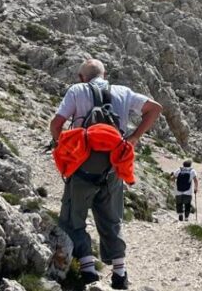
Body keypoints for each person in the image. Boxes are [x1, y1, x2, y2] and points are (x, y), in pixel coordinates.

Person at [49, 59, 163, 290]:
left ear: (82, 77)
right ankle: (120, 274)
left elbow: (57, 123)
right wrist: (134, 137)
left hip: (82, 168)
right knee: (111, 221)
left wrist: (61, 145)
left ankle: (89, 273)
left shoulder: (77, 90)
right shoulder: (123, 92)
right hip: (113, 168)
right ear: (105, 74)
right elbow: (155, 108)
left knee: (73, 219)